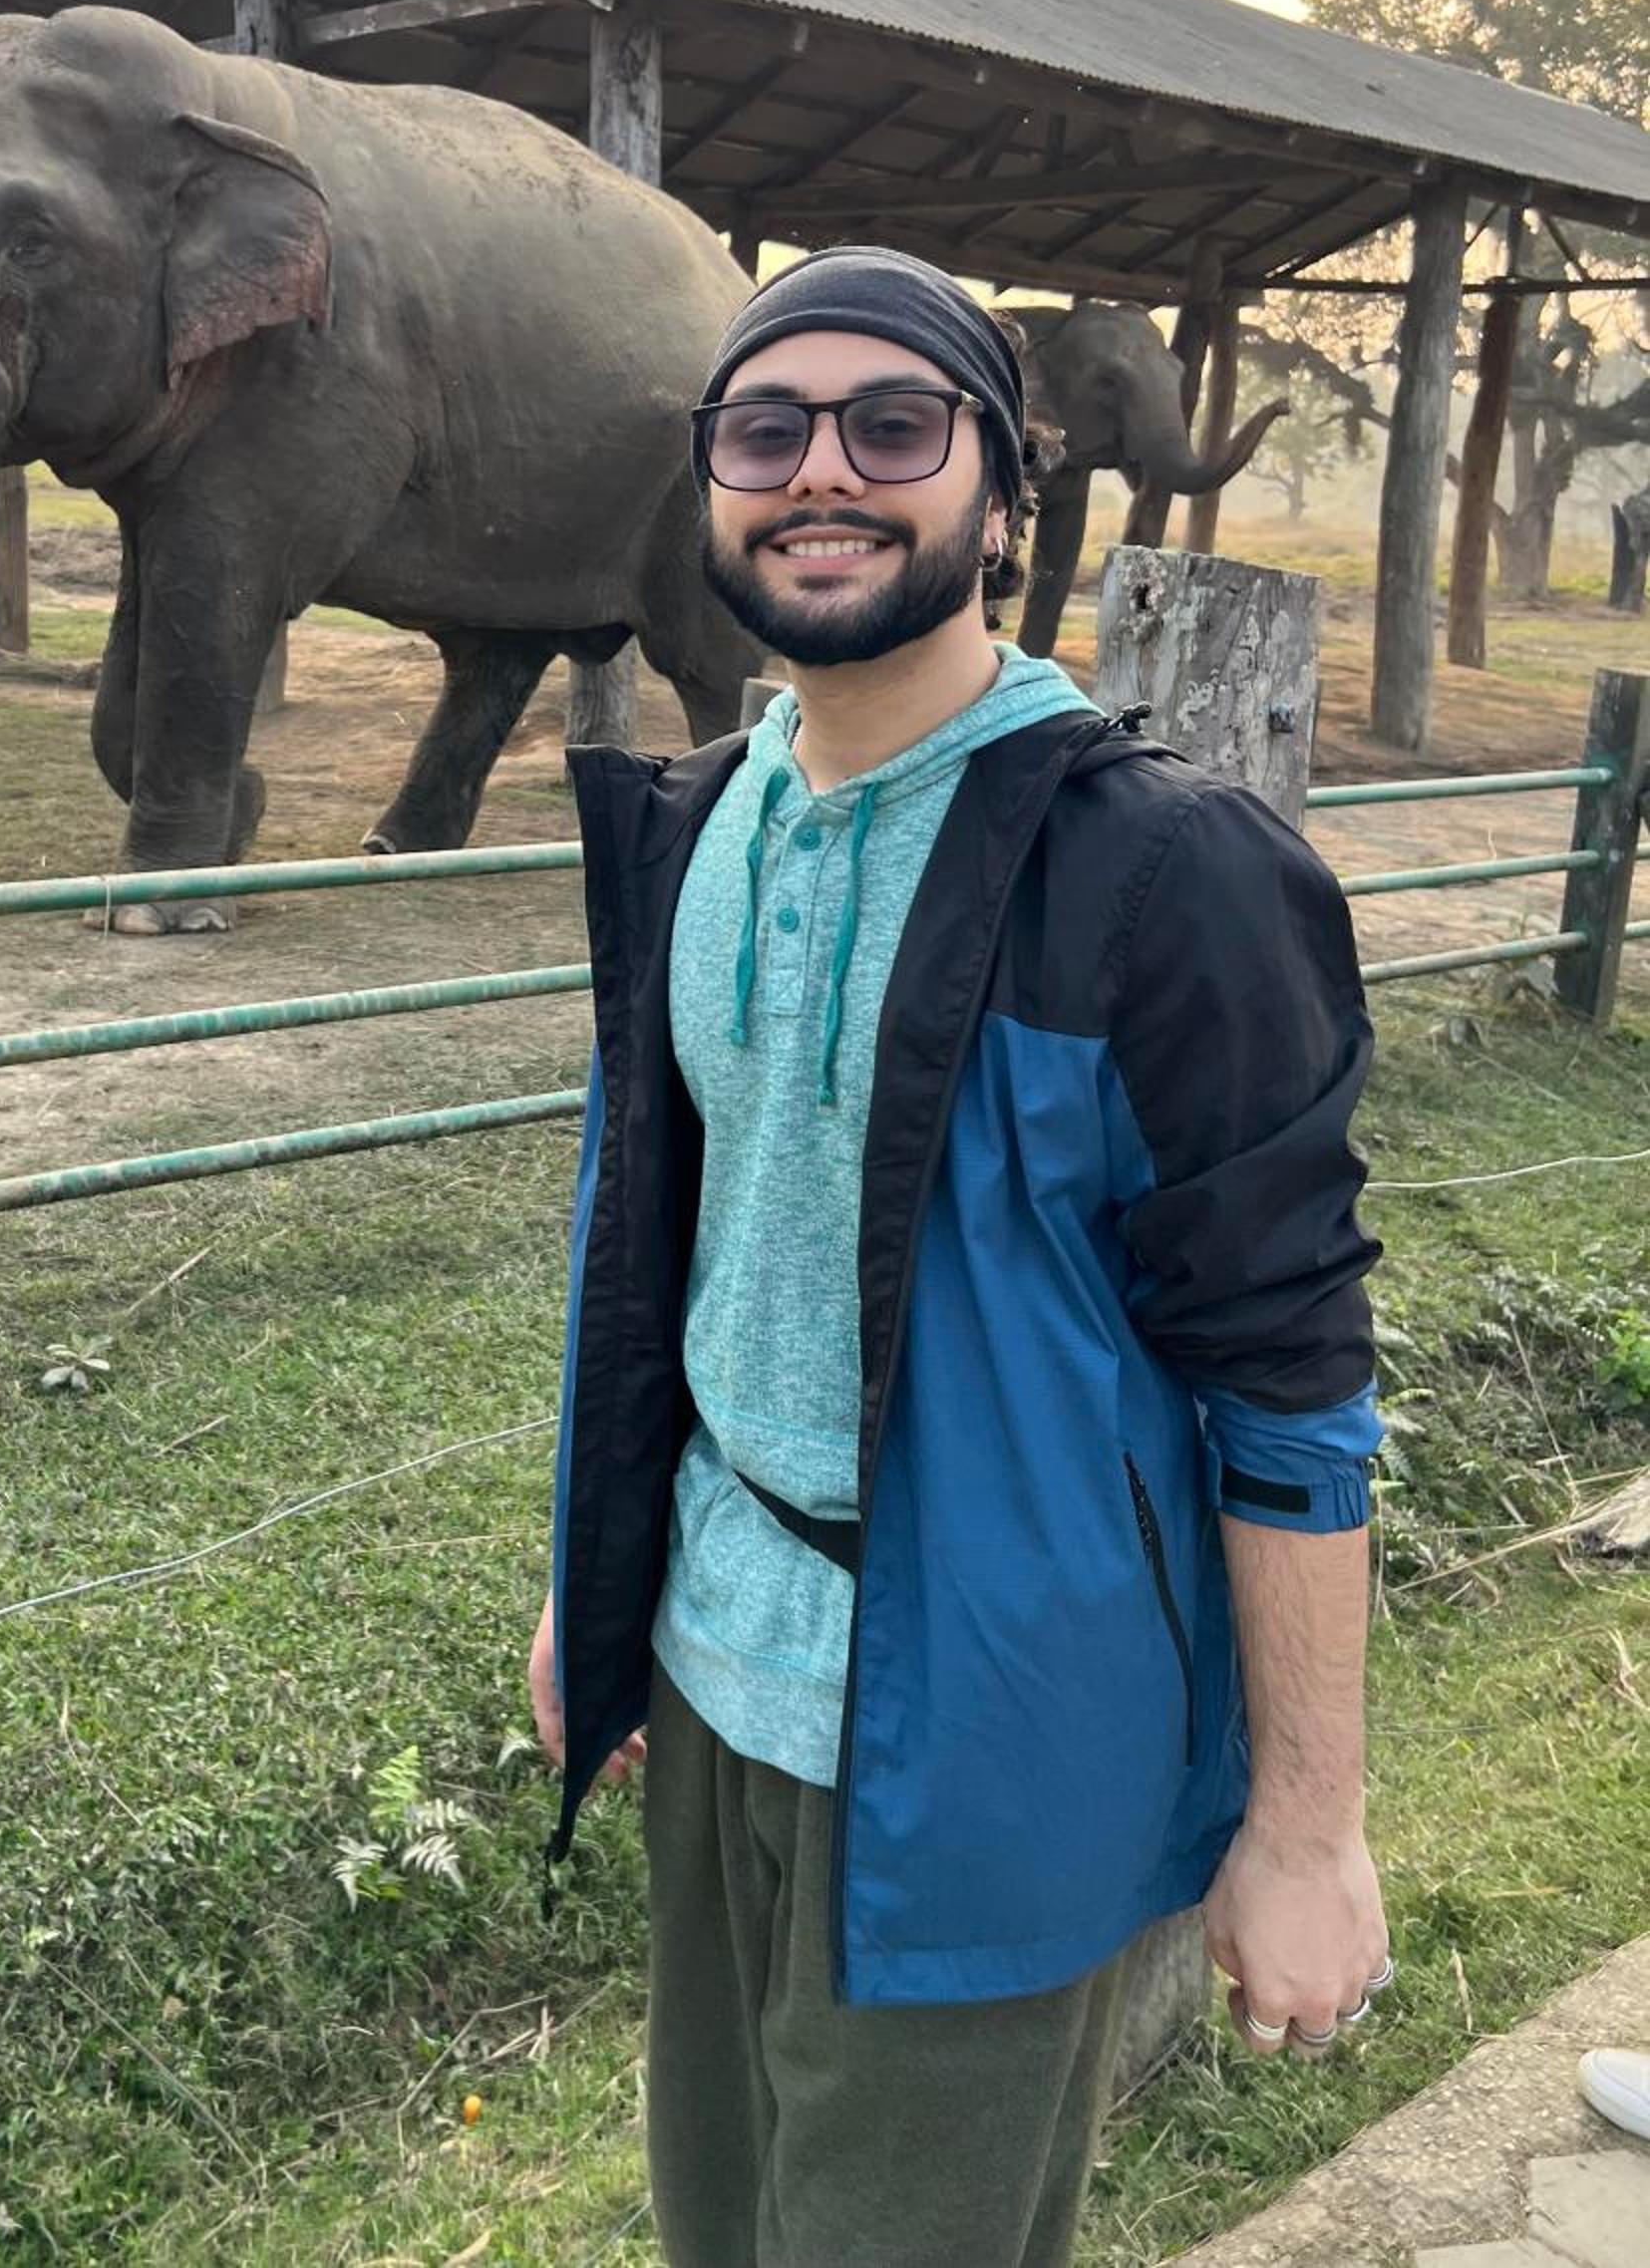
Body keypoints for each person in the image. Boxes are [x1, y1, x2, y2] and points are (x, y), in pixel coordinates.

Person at [528, 247, 1393, 2268]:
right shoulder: (697, 818)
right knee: (720, 2225)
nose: (823, 471)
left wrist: (1305, 1825)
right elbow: (660, 1248)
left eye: (893, 426)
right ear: (711, 486)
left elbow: (1288, 1379)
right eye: (767, 431)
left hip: (987, 1731)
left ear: (1005, 498)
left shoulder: (1161, 873)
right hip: (709, 1670)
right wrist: (596, 1578)